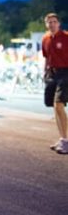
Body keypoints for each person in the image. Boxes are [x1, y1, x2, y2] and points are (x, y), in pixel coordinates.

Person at [41, 13, 68, 155]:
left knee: (59, 105)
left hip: (65, 73)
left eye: (54, 21)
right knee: (54, 107)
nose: (52, 24)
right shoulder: (45, 39)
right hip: (51, 73)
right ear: (46, 24)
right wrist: (45, 73)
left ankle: (66, 141)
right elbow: (46, 57)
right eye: (49, 22)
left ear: (59, 23)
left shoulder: (66, 37)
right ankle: (62, 139)